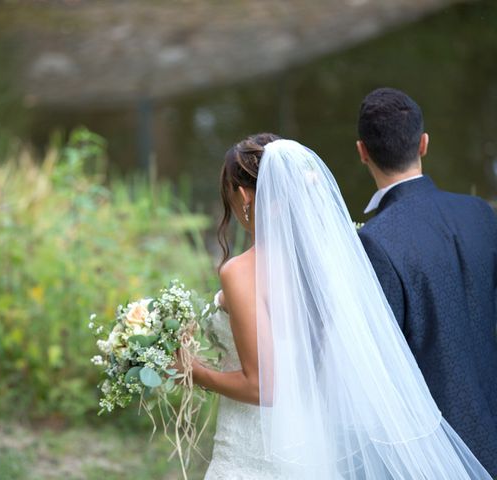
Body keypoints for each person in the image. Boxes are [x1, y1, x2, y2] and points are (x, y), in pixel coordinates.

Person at [183, 133, 492, 479]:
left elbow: (263, 387)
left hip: (257, 448)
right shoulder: (332, 264)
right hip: (317, 444)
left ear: (242, 195)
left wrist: (195, 372)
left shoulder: (240, 272)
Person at [356, 87, 497, 476]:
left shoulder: (374, 240)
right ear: (424, 143)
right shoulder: (479, 213)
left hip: (435, 448)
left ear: (362, 151)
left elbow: (383, 363)